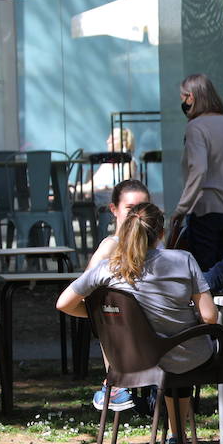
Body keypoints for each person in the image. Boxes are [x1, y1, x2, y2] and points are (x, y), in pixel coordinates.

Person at [57, 202, 223, 444]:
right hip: (182, 355)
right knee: (183, 352)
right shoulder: (183, 260)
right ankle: (178, 438)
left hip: (133, 360)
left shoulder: (108, 268)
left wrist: (100, 315)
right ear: (161, 233)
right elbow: (210, 317)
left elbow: (64, 303)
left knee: (171, 353)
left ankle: (175, 438)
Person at [83, 177, 152, 414]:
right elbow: (87, 288)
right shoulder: (112, 245)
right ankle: (114, 385)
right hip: (125, 333)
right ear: (114, 210)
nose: (137, 217)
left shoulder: (155, 247)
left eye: (143, 209)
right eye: (131, 209)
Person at [170, 74, 223, 271]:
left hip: (204, 209)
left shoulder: (195, 128)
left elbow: (198, 170)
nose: (183, 103)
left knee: (204, 274)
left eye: (183, 98)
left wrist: (181, 208)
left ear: (191, 97)